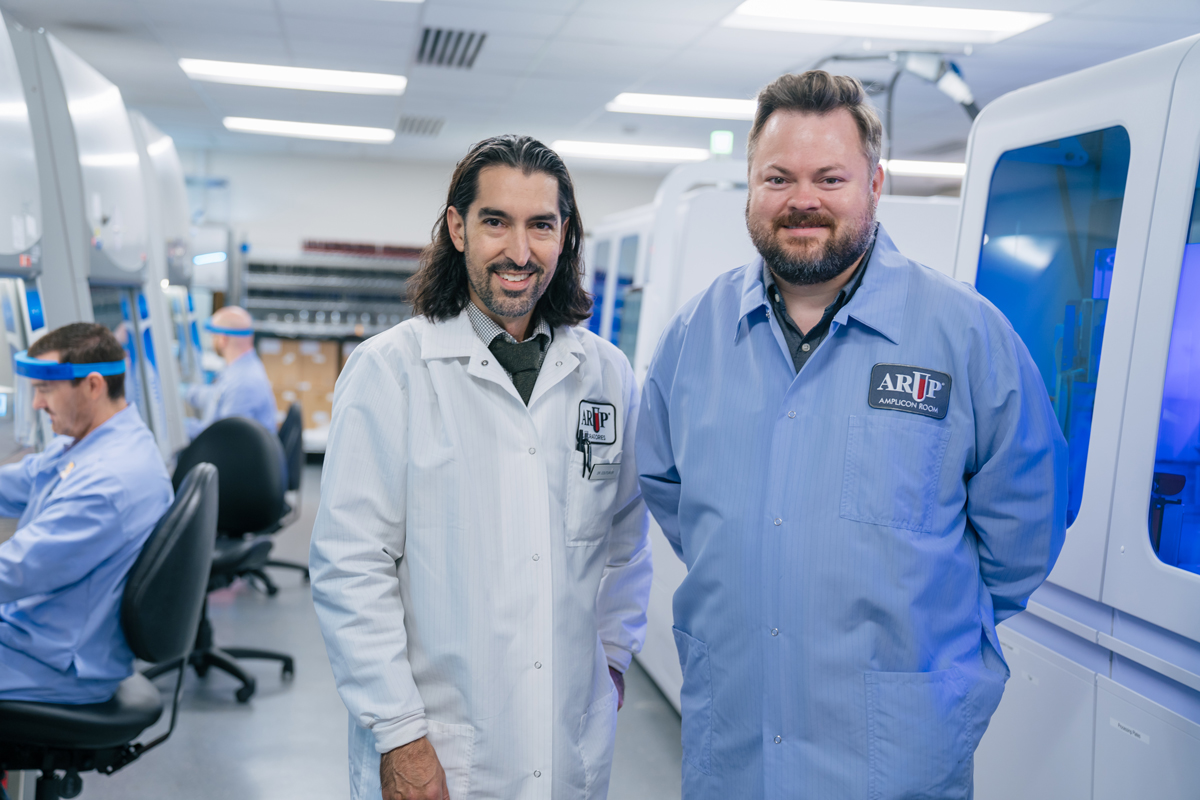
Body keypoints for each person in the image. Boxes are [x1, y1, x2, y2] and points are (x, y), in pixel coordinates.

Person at [637, 71, 1067, 799]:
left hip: (895, 755)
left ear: (875, 182)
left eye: (829, 177)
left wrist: (927, 621)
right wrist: (768, 566)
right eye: (778, 177)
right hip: (737, 746)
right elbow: (670, 490)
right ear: (750, 185)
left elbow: (1024, 528)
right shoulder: (697, 336)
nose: (802, 199)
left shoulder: (962, 335)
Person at [310, 134, 652, 800]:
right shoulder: (392, 372)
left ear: (565, 236)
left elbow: (623, 546)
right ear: (458, 227)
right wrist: (401, 736)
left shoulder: (606, 375)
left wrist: (611, 659)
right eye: (496, 222)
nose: (519, 252)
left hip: (567, 742)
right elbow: (352, 567)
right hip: (439, 746)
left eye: (541, 226)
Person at [0, 323, 173, 704]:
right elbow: (24, 480)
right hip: (37, 634)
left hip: (56, 663)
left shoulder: (109, 481)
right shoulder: (94, 442)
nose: (36, 404)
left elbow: (14, 570)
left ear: (94, 385)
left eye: (45, 389)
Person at [184, 305, 277, 439]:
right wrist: (187, 392)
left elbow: (222, 437)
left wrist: (181, 427)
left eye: (213, 336)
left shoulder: (243, 382)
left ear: (223, 339)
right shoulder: (241, 368)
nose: (212, 340)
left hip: (236, 456)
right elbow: (216, 397)